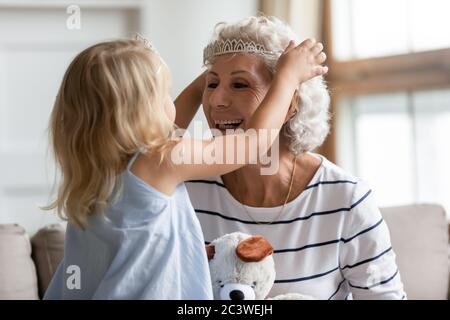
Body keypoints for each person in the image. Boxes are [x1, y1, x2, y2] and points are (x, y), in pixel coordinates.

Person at [43, 35, 327, 299]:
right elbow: (250, 144)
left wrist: (214, 76)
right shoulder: (160, 161)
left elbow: (169, 128)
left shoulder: (103, 169)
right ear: (142, 111)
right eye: (164, 93)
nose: (215, 97)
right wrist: (288, 77)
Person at [176, 16, 407, 300]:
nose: (216, 101)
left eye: (239, 85)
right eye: (211, 85)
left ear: (289, 103)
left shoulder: (347, 200)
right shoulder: (185, 188)